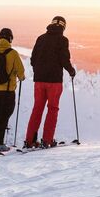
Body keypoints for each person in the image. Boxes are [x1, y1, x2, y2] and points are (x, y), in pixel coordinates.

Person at [25, 16, 76, 148]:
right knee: (52, 109)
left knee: (37, 109)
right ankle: (47, 140)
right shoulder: (63, 40)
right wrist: (71, 71)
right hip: (54, 81)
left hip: (39, 81)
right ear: (63, 27)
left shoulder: (41, 38)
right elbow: (64, 59)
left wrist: (39, 70)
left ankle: (29, 141)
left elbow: (32, 60)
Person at [0, 28, 25, 153]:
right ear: (10, 38)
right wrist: (21, 77)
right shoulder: (13, 53)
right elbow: (21, 72)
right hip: (8, 90)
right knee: (4, 115)